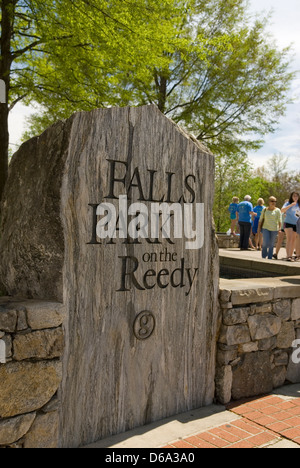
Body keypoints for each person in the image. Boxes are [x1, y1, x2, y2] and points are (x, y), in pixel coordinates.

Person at [281, 192, 300, 262]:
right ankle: (288, 256)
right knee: (289, 238)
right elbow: (282, 210)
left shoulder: (299, 205)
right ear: (291, 197)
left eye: (297, 196)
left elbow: (298, 215)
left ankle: (291, 255)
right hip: (288, 223)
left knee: (293, 240)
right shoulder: (288, 203)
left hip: (296, 224)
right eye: (294, 196)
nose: (295, 197)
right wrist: (291, 205)